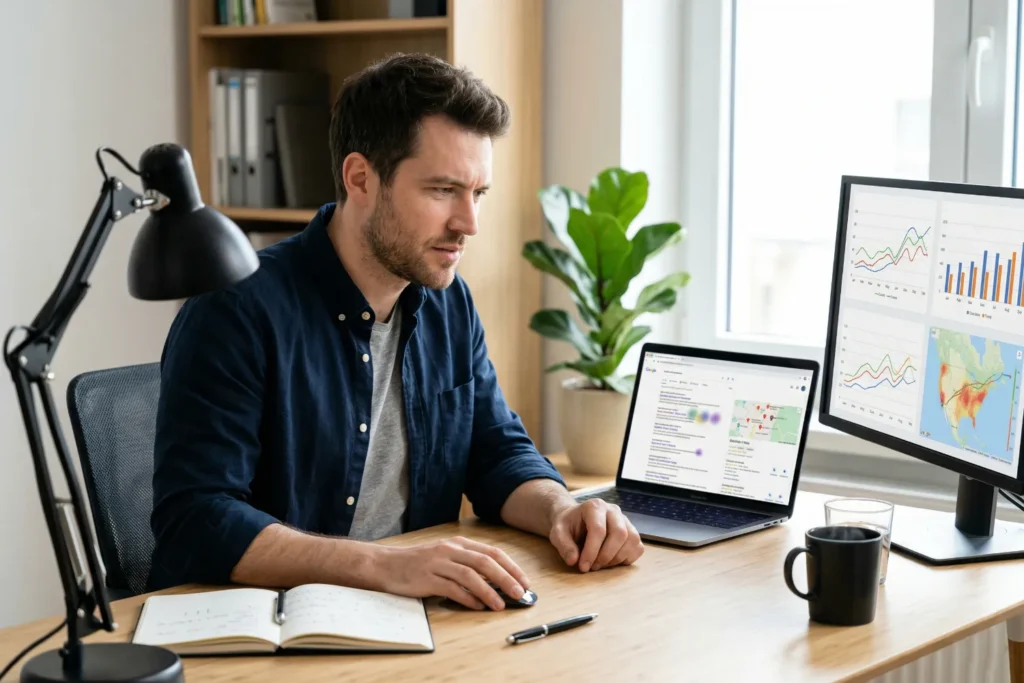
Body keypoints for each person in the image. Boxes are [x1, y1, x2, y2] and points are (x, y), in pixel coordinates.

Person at [148, 52, 644, 611]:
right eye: (441, 191)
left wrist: (561, 509)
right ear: (360, 178)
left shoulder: (447, 300)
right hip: (264, 624)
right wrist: (382, 565)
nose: (468, 223)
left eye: (477, 194)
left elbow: (495, 451)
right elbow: (196, 518)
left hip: (414, 620)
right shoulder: (235, 308)